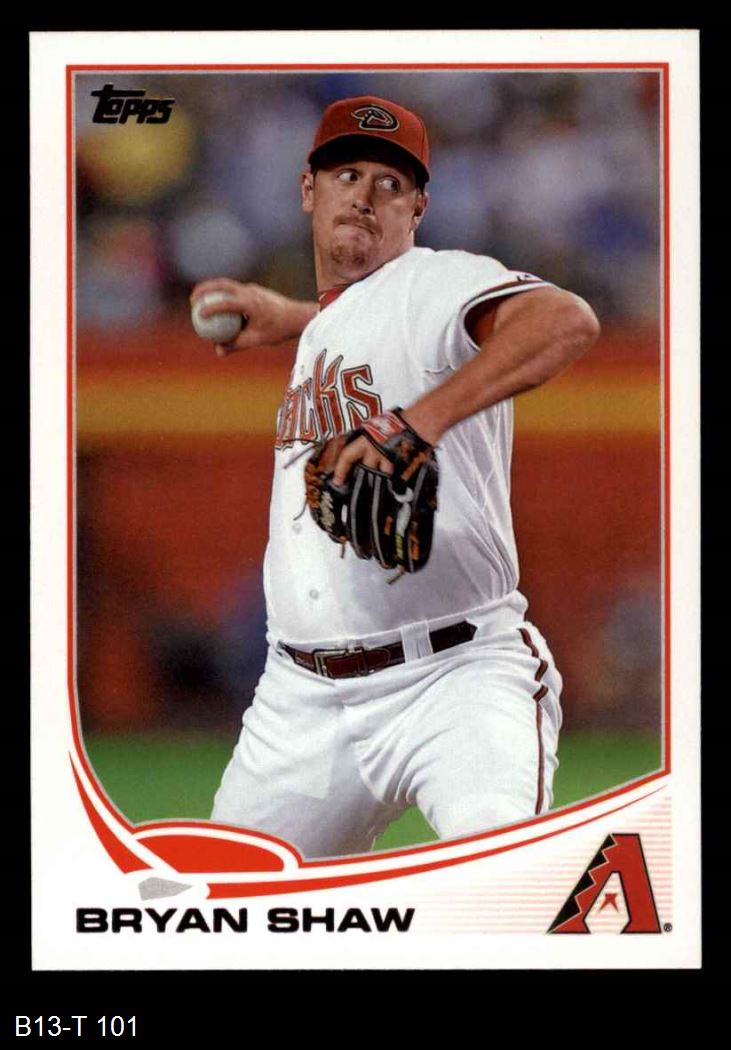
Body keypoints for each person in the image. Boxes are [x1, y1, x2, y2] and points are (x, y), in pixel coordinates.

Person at [190, 95, 600, 859]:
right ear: (308, 189)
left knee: (500, 884)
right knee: (224, 906)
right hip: (300, 701)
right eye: (346, 174)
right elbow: (360, 320)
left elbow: (564, 320)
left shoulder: (441, 280)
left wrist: (416, 423)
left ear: (418, 210)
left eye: (390, 183)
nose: (365, 195)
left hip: (455, 679)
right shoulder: (334, 320)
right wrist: (293, 316)